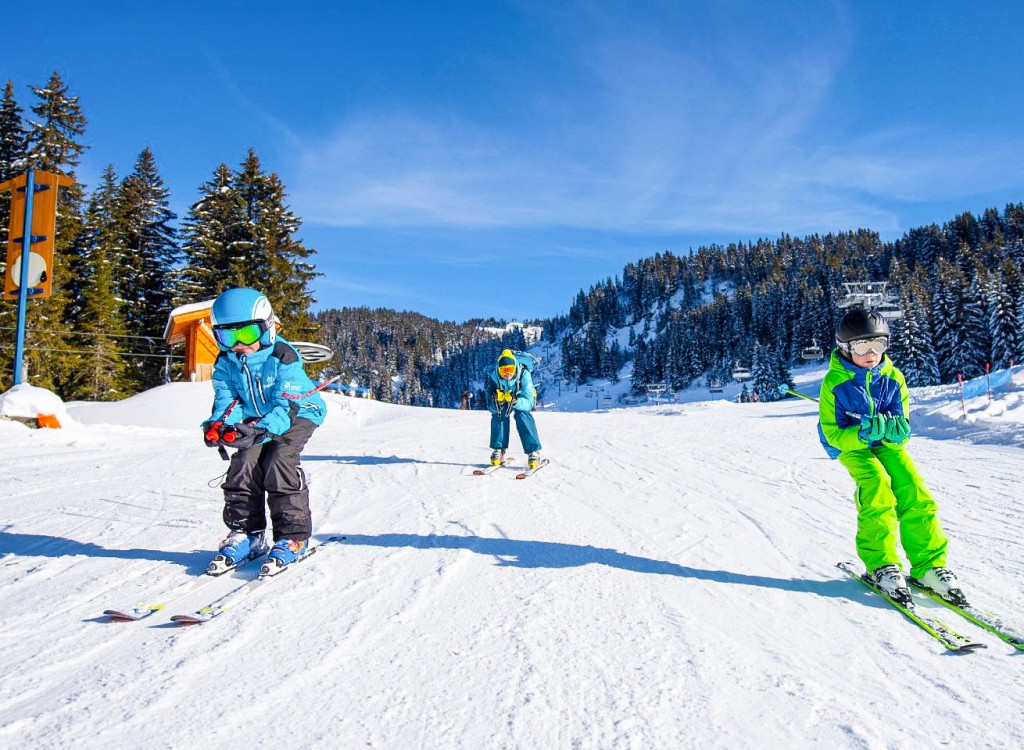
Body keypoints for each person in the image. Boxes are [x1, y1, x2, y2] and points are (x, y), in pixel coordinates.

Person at [818, 307, 962, 604]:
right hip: (851, 446)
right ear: (845, 348)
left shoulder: (893, 377)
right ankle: (882, 564)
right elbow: (833, 433)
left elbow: (902, 424)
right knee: (877, 484)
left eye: (879, 344)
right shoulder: (835, 382)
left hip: (884, 443)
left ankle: (929, 566)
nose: (872, 353)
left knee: (913, 487)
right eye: (862, 346)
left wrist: (897, 435)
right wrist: (860, 433)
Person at [202, 287, 326, 576]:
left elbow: (287, 405)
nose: (238, 344)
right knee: (244, 464)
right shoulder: (225, 362)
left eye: (246, 334)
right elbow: (228, 399)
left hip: (298, 413)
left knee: (278, 460)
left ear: (267, 326)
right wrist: (220, 424)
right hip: (257, 419)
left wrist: (260, 430)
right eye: (227, 337)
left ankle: (293, 537)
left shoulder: (284, 356)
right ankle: (249, 534)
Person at [485, 349, 542, 469]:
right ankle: (499, 449)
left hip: (519, 397)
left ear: (515, 367)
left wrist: (515, 401)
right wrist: (497, 401)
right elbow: (490, 406)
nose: (507, 374)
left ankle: (533, 451)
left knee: (522, 414)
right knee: (499, 413)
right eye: (503, 370)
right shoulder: (494, 377)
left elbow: (529, 403)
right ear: (499, 369)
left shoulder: (524, 374)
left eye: (510, 370)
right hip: (504, 397)